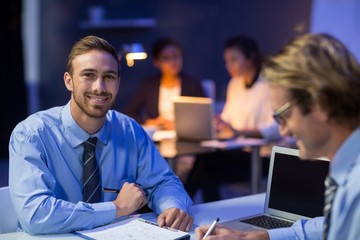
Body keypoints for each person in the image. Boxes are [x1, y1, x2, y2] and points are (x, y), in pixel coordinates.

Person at [8, 35, 193, 235]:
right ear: (68, 81)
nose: (100, 87)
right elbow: (35, 215)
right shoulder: (31, 135)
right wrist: (117, 207)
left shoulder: (130, 130)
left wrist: (172, 207)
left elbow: (163, 182)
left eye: (109, 77)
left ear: (118, 83)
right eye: (89, 75)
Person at [196, 33, 360, 239]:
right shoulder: (344, 170)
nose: (283, 131)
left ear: (322, 104)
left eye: (285, 116)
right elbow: (328, 226)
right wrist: (257, 237)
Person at [185, 35, 280, 202]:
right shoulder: (234, 84)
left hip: (262, 157)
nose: (228, 65)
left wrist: (237, 131)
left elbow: (275, 129)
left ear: (250, 58)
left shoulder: (270, 84)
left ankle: (183, 203)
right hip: (237, 152)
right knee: (207, 167)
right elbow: (227, 118)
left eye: (234, 60)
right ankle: (197, 209)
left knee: (206, 164)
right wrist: (219, 124)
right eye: (226, 60)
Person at [124, 37, 205, 130]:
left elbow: (203, 118)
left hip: (185, 134)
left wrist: (180, 125)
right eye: (167, 58)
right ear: (157, 62)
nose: (173, 62)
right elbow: (129, 113)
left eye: (176, 56)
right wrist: (150, 121)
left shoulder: (192, 84)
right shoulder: (149, 85)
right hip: (158, 135)